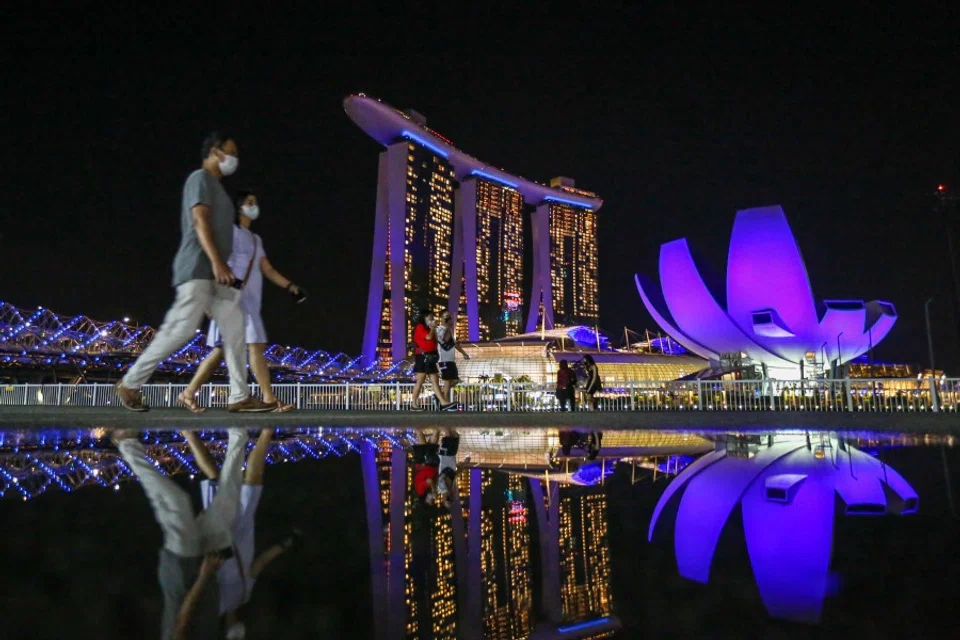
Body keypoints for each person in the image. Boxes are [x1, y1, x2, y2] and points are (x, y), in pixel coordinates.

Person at [115, 132, 273, 413]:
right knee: (180, 330)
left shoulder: (222, 194)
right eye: (231, 152)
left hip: (218, 277)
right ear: (216, 152)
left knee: (235, 330)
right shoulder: (198, 179)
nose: (235, 159)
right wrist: (216, 262)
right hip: (199, 269)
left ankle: (239, 397)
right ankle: (130, 383)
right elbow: (200, 221)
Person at [113, 427, 249, 639]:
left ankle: (126, 444)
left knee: (177, 504)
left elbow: (181, 624)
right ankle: (239, 435)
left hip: (183, 569)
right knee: (227, 508)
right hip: (206, 565)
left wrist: (203, 576)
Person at [178, 190, 303, 413]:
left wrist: (290, 286)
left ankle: (187, 394)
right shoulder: (230, 232)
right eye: (250, 202)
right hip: (231, 299)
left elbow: (268, 269)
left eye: (255, 202)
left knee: (220, 352)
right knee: (256, 345)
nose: (254, 206)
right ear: (239, 208)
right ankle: (269, 399)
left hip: (249, 302)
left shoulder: (255, 240)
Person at [182, 428, 303, 638]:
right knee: (251, 482)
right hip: (242, 532)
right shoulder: (244, 596)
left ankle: (190, 435)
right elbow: (258, 565)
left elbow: (200, 575)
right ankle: (266, 431)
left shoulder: (212, 608)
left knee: (218, 479)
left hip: (220, 538)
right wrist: (286, 544)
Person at [409, 310, 454, 411]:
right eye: (430, 318)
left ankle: (442, 402)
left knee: (435, 380)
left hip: (430, 357)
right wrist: (433, 328)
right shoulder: (420, 327)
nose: (432, 320)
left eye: (432, 318)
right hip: (423, 356)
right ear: (424, 318)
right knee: (420, 381)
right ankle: (414, 404)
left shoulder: (429, 328)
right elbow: (428, 338)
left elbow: (437, 341)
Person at [435, 311, 470, 407]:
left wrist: (464, 353)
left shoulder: (449, 330)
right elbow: (442, 341)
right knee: (447, 380)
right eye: (446, 317)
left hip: (451, 360)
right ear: (441, 318)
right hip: (443, 360)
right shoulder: (438, 330)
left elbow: (455, 344)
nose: (449, 318)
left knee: (455, 380)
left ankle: (440, 396)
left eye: (450, 316)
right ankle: (445, 403)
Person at [412, 430, 441, 504]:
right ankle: (436, 428)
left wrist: (434, 490)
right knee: (432, 446)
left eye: (430, 500)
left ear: (425, 500)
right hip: (429, 465)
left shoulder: (421, 491)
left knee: (424, 446)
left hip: (425, 465)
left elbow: (429, 481)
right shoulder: (423, 491)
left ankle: (419, 428)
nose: (432, 499)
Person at [434, 429, 460, 510]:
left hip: (444, 455)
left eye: (447, 499)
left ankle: (443, 418)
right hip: (452, 456)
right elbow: (456, 473)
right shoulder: (452, 487)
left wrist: (449, 491)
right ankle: (448, 419)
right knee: (454, 435)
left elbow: (444, 477)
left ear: (442, 499)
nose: (449, 497)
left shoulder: (440, 487)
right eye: (450, 500)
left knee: (448, 433)